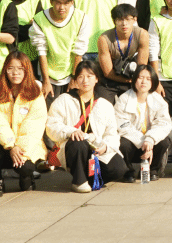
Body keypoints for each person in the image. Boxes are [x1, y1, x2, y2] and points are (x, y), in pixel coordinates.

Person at [0, 51, 50, 196]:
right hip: (4, 146)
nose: (15, 73)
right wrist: (11, 145)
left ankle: (27, 177)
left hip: (25, 149)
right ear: (5, 70)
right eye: (10, 68)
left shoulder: (36, 96)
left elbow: (34, 127)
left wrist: (19, 148)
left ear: (27, 71)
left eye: (20, 69)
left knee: (26, 168)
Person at [48, 61, 120, 192]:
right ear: (75, 80)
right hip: (73, 147)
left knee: (118, 168)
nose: (85, 80)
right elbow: (51, 125)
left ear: (96, 79)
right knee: (78, 143)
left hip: (96, 148)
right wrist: (71, 131)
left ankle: (89, 177)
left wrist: (106, 147)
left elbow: (112, 133)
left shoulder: (104, 104)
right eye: (80, 77)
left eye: (89, 76)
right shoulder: (64, 99)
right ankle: (79, 181)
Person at [94, 4, 153, 103]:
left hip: (130, 75)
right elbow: (107, 72)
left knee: (135, 103)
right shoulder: (104, 39)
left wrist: (134, 80)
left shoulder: (142, 34)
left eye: (128, 19)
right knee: (102, 105)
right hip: (108, 79)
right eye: (120, 19)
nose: (124, 23)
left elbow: (142, 65)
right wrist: (129, 80)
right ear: (114, 21)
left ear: (135, 19)